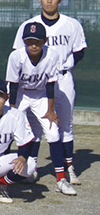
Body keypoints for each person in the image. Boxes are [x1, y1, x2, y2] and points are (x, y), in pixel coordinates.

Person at [13, 0, 87, 185]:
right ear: (40, 0)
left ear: (59, 0)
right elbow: (18, 53)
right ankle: (32, 165)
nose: (49, 0)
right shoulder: (29, 25)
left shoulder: (72, 24)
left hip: (62, 78)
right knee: (35, 125)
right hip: (35, 82)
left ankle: (68, 166)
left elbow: (80, 50)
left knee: (65, 123)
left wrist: (68, 62)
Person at [6, 22, 74, 195]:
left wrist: (51, 111)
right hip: (20, 94)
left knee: (52, 132)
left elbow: (51, 86)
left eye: (37, 41)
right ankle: (2, 173)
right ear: (24, 42)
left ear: (45, 40)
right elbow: (13, 86)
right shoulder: (16, 56)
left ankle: (61, 179)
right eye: (29, 41)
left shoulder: (52, 55)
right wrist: (12, 110)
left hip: (41, 94)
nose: (33, 45)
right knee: (9, 129)